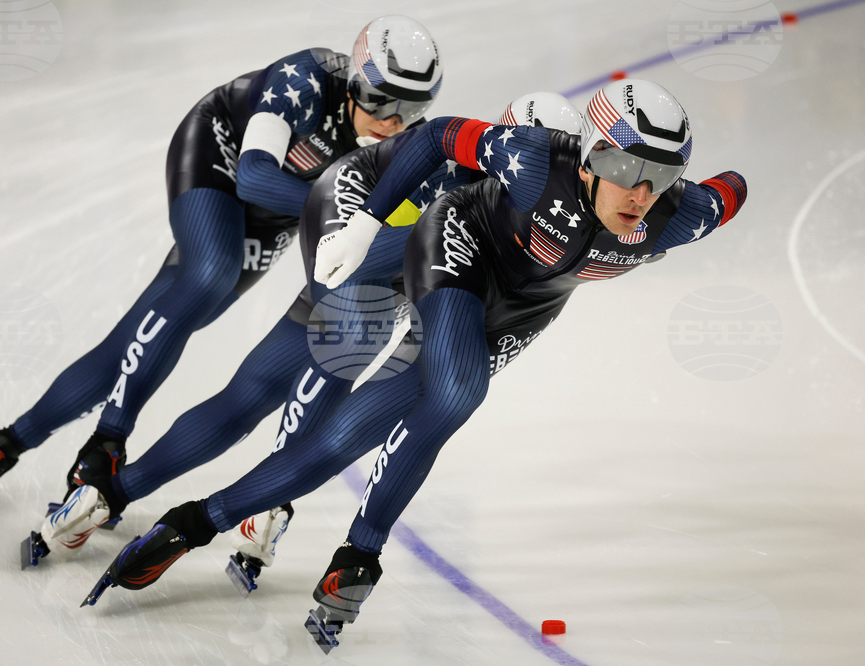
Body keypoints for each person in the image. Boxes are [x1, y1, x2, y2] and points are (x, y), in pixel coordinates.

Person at [86, 79, 746, 652]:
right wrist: (367, 223)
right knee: (457, 391)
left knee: (346, 438)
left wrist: (708, 183)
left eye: (663, 176)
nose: (643, 193)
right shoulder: (534, 161)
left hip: (523, 308)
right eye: (629, 168)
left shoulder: (680, 214)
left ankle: (194, 522)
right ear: (593, 155)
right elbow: (434, 135)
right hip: (459, 245)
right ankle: (363, 551)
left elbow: (733, 189)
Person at [30, 93, 583, 574]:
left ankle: (111, 494)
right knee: (320, 378)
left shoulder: (522, 187)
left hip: (373, 259)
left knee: (253, 394)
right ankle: (253, 505)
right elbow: (414, 257)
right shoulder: (486, 188)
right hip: (361, 250)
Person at [0, 15, 444, 513]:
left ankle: (7, 442)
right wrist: (350, 219)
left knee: (151, 326)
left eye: (412, 108)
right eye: (382, 101)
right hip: (221, 155)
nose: (392, 122)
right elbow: (253, 178)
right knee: (210, 274)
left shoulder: (405, 145)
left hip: (278, 211)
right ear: (354, 83)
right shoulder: (306, 79)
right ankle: (108, 438)